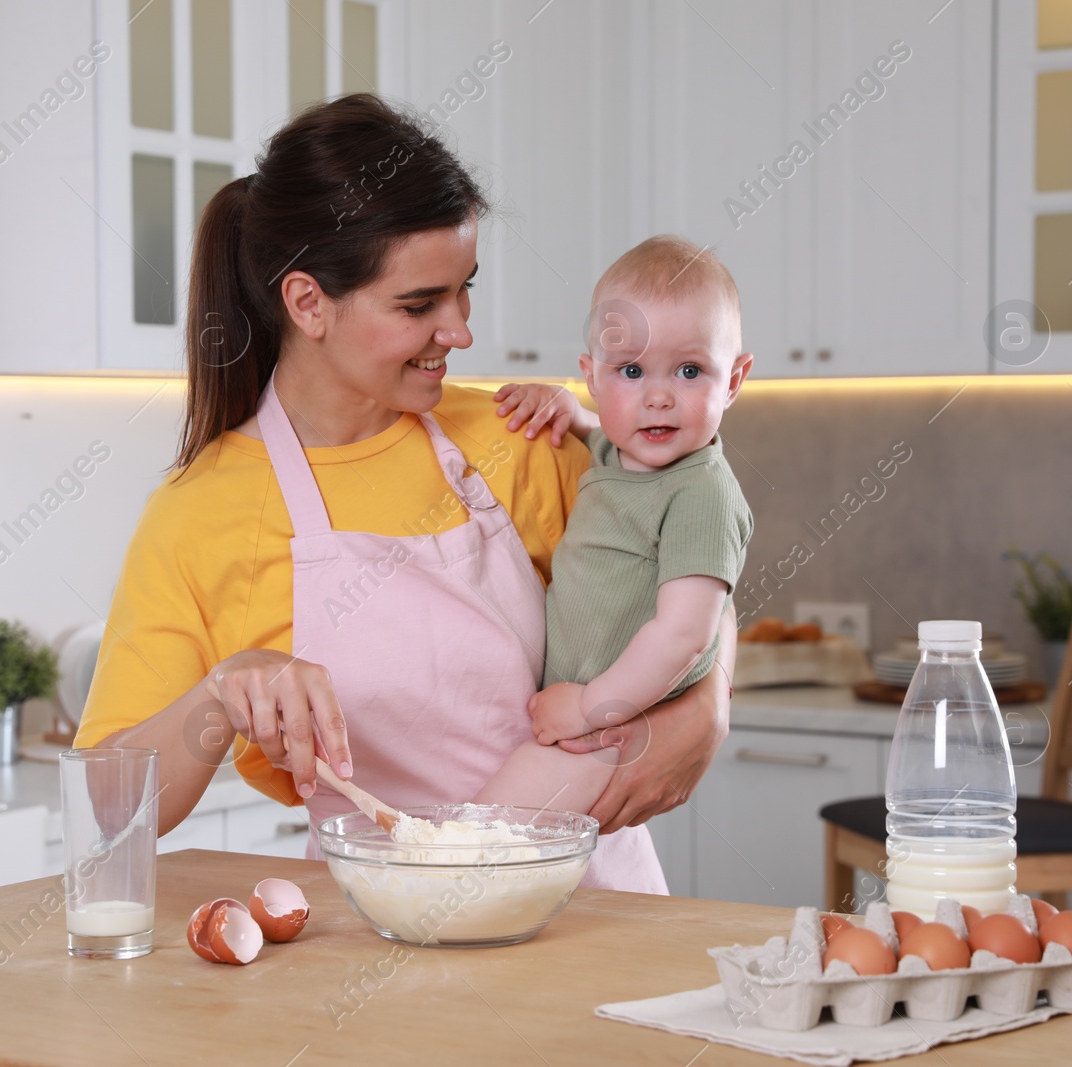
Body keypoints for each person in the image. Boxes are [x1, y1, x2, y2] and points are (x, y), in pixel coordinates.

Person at [72, 94, 737, 892]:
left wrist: (708, 705)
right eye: (420, 304)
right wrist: (221, 694)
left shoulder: (514, 435)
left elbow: (692, 567)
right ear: (308, 302)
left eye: (465, 290)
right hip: (380, 928)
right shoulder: (199, 515)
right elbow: (106, 805)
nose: (458, 329)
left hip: (596, 910)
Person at [475, 236, 754, 818]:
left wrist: (590, 707)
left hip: (607, 729)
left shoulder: (701, 493)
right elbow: (601, 434)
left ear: (733, 381)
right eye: (630, 371)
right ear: (593, 376)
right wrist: (566, 410)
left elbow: (684, 634)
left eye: (689, 370)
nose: (657, 397)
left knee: (479, 845)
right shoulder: (617, 455)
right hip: (577, 713)